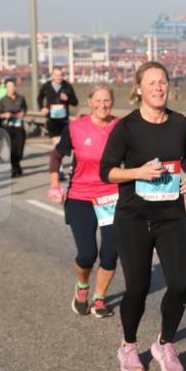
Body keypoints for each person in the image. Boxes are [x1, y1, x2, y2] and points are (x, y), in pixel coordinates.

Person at [99, 61, 186, 371]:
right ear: (139, 88)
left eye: (163, 82)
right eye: (152, 82)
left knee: (180, 284)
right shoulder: (126, 128)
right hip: (134, 217)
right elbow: (107, 171)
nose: (158, 87)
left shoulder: (181, 123)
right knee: (138, 288)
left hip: (172, 215)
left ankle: (165, 344)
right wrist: (138, 172)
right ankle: (128, 345)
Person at [49, 84, 119, 319]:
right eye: (97, 100)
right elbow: (57, 155)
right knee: (88, 254)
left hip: (111, 196)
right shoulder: (76, 127)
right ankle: (82, 286)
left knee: (110, 253)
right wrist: (54, 186)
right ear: (89, 102)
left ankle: (99, 298)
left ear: (112, 102)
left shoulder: (121, 127)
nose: (102, 105)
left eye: (107, 100)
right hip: (81, 197)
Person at [38, 66, 78, 179]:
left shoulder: (67, 86)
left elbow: (75, 102)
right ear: (52, 76)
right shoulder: (46, 86)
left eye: (60, 75)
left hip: (64, 120)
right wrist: (42, 108)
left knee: (68, 144)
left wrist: (67, 99)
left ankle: (71, 167)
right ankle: (59, 169)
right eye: (56, 75)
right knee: (57, 144)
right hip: (52, 119)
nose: (58, 77)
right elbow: (39, 98)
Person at [0, 78, 28, 178]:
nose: (11, 88)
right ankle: (14, 168)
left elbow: (25, 109)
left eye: (12, 86)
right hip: (8, 127)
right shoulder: (2, 100)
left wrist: (22, 113)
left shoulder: (21, 98)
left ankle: (17, 165)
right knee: (12, 149)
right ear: (6, 88)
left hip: (19, 125)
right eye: (8, 87)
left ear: (15, 87)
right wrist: (4, 115)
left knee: (19, 150)